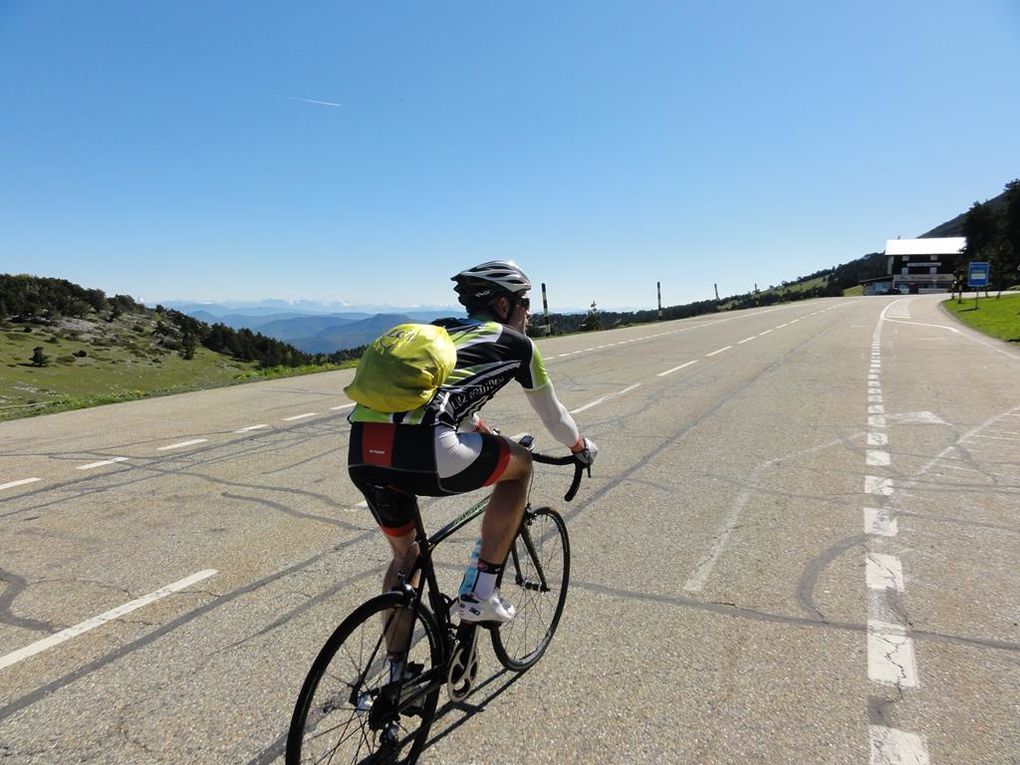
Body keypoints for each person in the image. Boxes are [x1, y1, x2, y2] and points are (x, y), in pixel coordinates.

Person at [347, 260, 597, 629]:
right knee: (521, 465)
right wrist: (580, 448)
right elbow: (554, 417)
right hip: (428, 450)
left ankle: (398, 677)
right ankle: (481, 594)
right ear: (502, 305)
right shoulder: (518, 345)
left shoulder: (439, 333)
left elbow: (439, 395)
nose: (527, 312)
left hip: (363, 448)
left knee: (406, 558)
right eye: (524, 302)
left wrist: (477, 425)